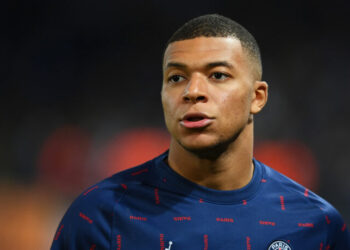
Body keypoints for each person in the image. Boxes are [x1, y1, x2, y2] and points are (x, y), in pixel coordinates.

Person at [51, 14, 350, 249]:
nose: (193, 92)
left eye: (218, 75)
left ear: (257, 97)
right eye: (176, 77)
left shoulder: (316, 225)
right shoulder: (99, 216)